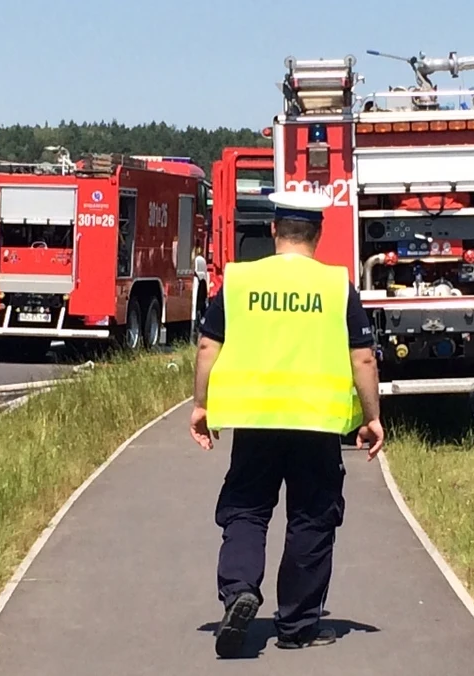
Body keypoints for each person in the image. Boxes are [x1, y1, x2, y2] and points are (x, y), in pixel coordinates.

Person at [189, 189, 384, 658]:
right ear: (318, 233)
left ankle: (239, 592)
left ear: (273, 230)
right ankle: (297, 625)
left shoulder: (238, 281)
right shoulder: (337, 286)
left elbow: (206, 347)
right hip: (316, 423)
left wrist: (201, 405)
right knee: (312, 517)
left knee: (246, 509)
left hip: (254, 420)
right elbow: (362, 358)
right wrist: (372, 417)